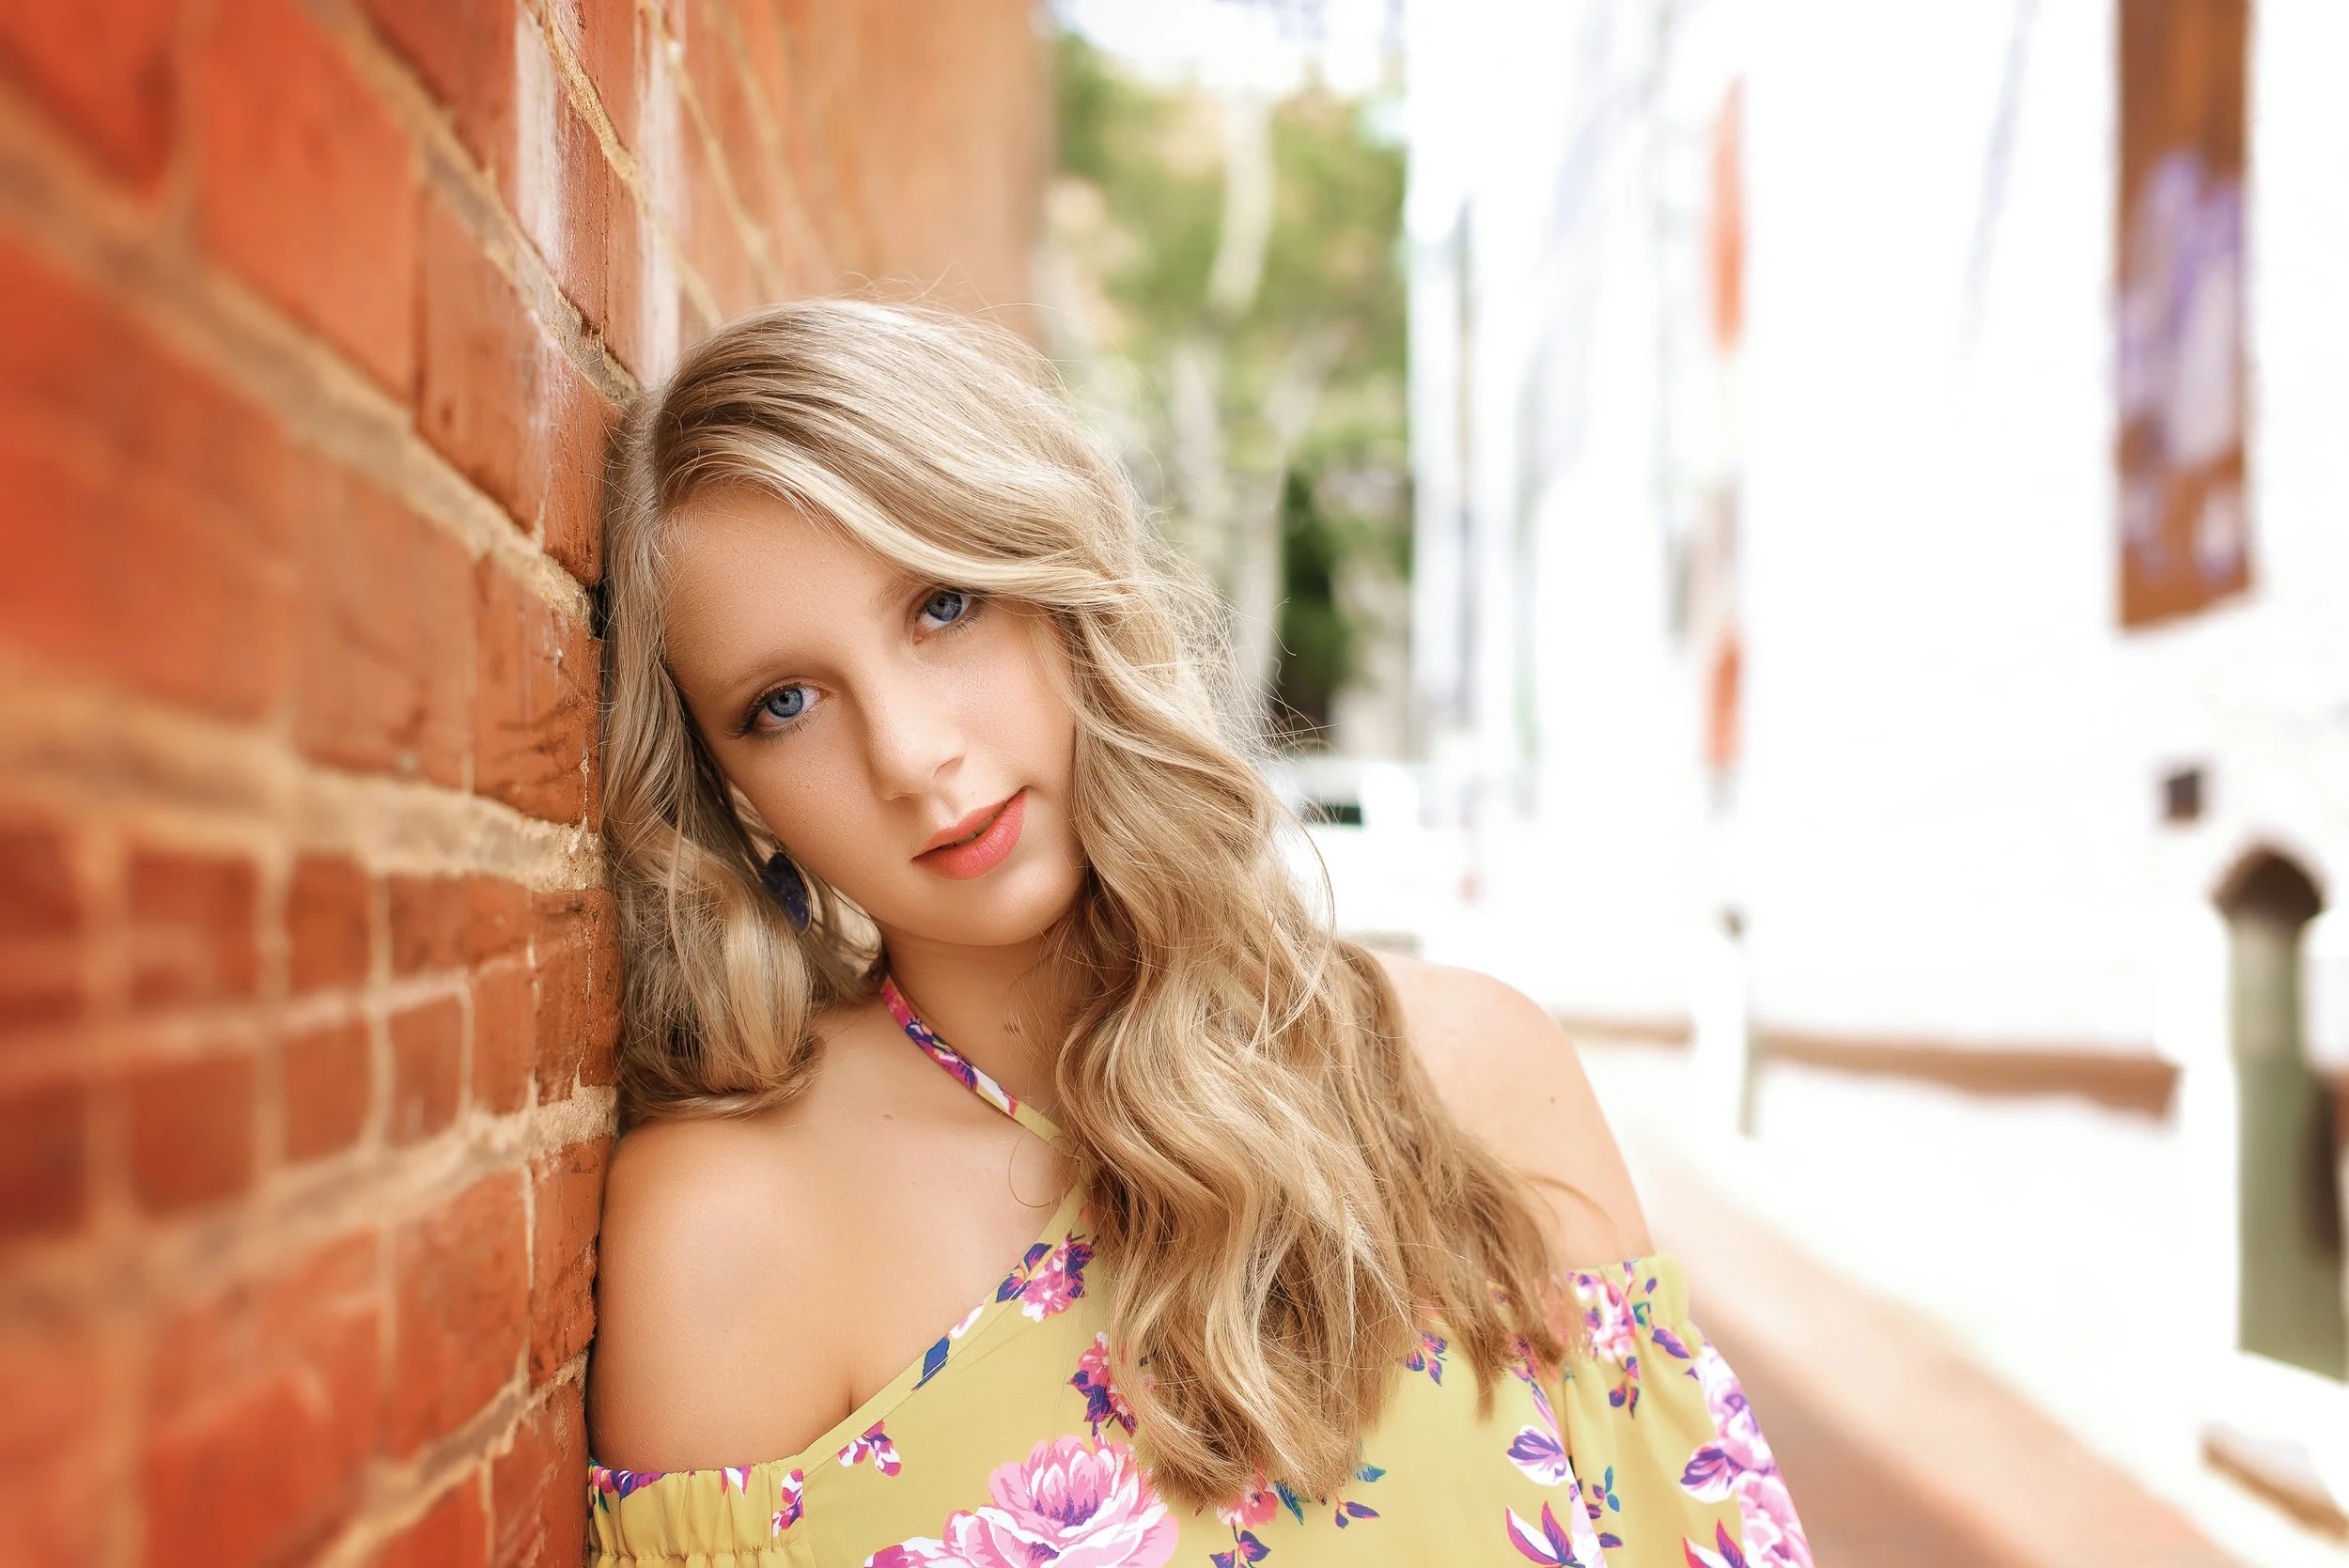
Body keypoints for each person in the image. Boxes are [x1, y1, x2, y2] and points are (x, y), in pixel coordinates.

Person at [584, 299, 1809, 1568]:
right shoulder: (738, 1225)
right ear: (732, 789)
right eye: (783, 704)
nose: (910, 756)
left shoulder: (1473, 1076)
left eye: (945, 606)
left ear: (1064, 592)